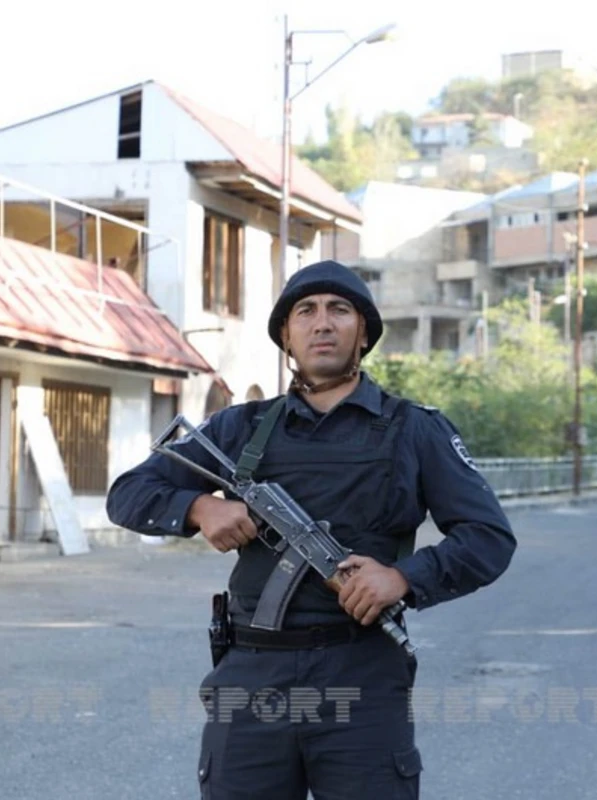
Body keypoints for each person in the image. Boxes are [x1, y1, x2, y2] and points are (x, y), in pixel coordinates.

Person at [106, 259, 516, 800]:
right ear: (287, 335)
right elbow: (128, 494)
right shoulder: (239, 426)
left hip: (362, 671)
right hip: (253, 672)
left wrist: (403, 579)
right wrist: (200, 507)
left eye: (339, 310)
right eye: (306, 312)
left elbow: (488, 537)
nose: (322, 323)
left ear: (362, 332)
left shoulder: (415, 429)